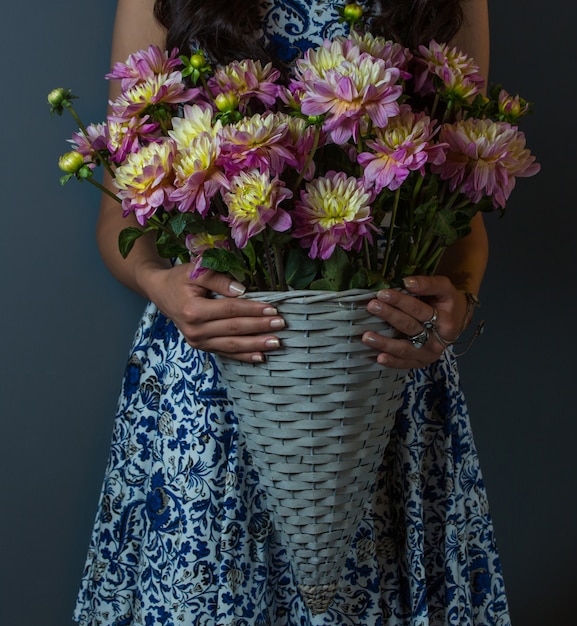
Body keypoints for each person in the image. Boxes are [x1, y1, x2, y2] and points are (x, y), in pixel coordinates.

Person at [74, 0, 511, 624]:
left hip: (378, 371)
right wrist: (159, 283)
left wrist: (456, 301)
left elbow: (464, 195)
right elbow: (121, 204)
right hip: (215, 366)